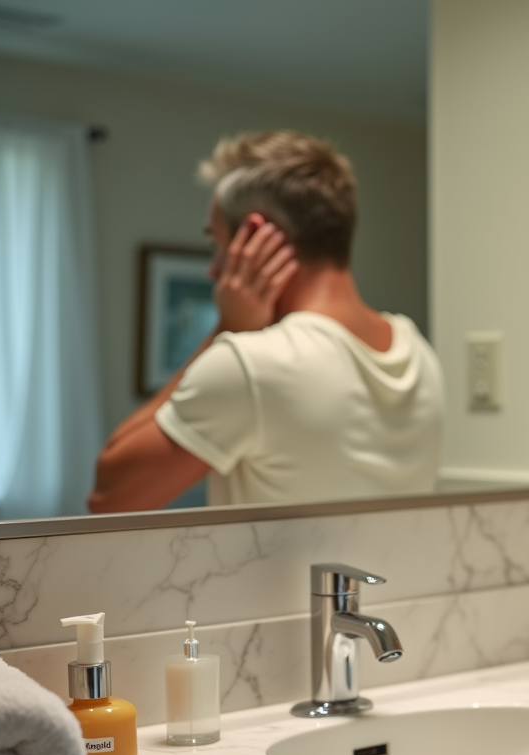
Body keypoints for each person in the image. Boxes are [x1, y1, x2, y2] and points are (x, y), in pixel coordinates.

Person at [89, 131, 443, 512]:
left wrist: (224, 331)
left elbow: (110, 496)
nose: (213, 270)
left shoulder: (251, 364)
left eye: (216, 244)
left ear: (256, 237)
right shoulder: (419, 353)